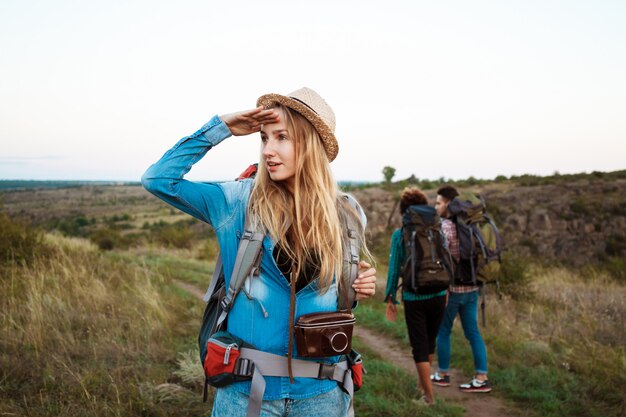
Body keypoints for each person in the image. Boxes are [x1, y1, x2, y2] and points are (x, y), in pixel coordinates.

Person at [142, 87, 378, 416]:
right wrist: (221, 128)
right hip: (245, 395)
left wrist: (358, 284)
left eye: (282, 137)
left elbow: (340, 299)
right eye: (264, 138)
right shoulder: (236, 202)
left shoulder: (348, 214)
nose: (268, 150)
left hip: (323, 396)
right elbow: (157, 179)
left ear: (311, 145)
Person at [384, 187, 448, 405]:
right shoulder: (437, 229)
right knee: (430, 342)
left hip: (414, 296)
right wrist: (447, 289)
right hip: (439, 292)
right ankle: (423, 384)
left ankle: (428, 398)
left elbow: (394, 269)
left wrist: (391, 297)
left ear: (404, 210)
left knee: (419, 345)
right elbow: (446, 259)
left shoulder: (400, 234)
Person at [431, 185, 492, 393]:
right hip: (473, 288)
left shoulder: (445, 227)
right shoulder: (472, 226)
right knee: (473, 332)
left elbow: (441, 260)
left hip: (453, 290)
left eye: (438, 202)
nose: (436, 206)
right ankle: (481, 377)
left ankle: (443, 374)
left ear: (448, 204)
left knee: (443, 331)